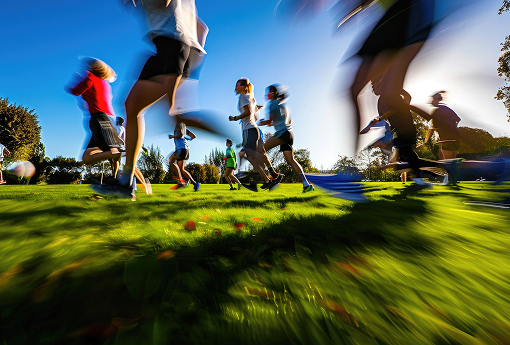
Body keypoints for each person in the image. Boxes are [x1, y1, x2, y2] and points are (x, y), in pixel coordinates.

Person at [96, 0, 206, 197]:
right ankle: (126, 182)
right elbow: (202, 28)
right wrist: (194, 51)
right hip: (180, 48)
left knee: (144, 109)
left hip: (171, 46)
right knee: (133, 106)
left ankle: (127, 182)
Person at [65, 58, 123, 177]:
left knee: (88, 158)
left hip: (99, 119)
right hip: (106, 119)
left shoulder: (90, 77)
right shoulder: (104, 83)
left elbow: (74, 91)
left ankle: (116, 154)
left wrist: (76, 80)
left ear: (94, 67)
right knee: (88, 157)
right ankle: (115, 177)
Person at [259, 84, 314, 193]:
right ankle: (306, 184)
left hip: (282, 134)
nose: (267, 95)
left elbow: (269, 121)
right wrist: (274, 123)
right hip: (289, 134)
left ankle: (273, 176)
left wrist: (259, 122)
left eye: (269, 92)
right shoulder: (284, 106)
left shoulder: (272, 104)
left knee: (260, 150)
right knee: (291, 160)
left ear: (274, 93)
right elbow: (289, 121)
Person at [229, 78, 279, 191]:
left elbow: (248, 112)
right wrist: (258, 108)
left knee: (248, 155)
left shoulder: (243, 96)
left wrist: (235, 118)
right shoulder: (251, 97)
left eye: (237, 85)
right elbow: (254, 113)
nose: (235, 88)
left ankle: (264, 180)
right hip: (254, 129)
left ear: (242, 87)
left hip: (249, 130)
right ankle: (270, 174)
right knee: (259, 153)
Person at [424, 91, 462, 160]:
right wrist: (453, 128)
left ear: (438, 100)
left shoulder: (436, 112)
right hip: (453, 140)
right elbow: (458, 119)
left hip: (447, 141)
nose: (432, 101)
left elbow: (431, 128)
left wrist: (426, 141)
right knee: (446, 161)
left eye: (434, 99)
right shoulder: (446, 108)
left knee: (448, 164)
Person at [168, 122, 200, 191]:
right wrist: (186, 137)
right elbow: (193, 136)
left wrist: (173, 136)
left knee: (171, 160)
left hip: (180, 149)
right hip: (185, 150)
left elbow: (180, 135)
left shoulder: (177, 127)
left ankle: (181, 181)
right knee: (181, 169)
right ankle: (195, 183)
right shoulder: (185, 130)